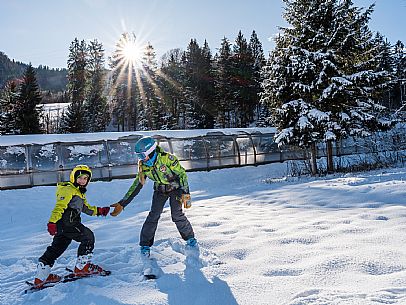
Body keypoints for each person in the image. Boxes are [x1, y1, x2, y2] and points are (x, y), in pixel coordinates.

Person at [110, 136, 196, 257]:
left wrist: (185, 193)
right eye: (139, 156)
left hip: (175, 189)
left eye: (142, 155)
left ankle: (190, 239)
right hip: (160, 190)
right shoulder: (144, 166)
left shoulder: (167, 159)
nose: (140, 159)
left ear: (150, 151)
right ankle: (145, 245)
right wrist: (123, 203)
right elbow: (137, 184)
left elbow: (181, 174)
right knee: (153, 216)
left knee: (177, 215)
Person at [33, 165, 110, 288]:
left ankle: (41, 277)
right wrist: (52, 222)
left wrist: (99, 211)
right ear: (73, 177)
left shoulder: (78, 191)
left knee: (57, 248)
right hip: (68, 223)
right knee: (88, 237)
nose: (82, 180)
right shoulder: (68, 189)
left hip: (64, 226)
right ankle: (82, 267)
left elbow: (86, 208)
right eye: (80, 177)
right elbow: (60, 206)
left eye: (85, 178)